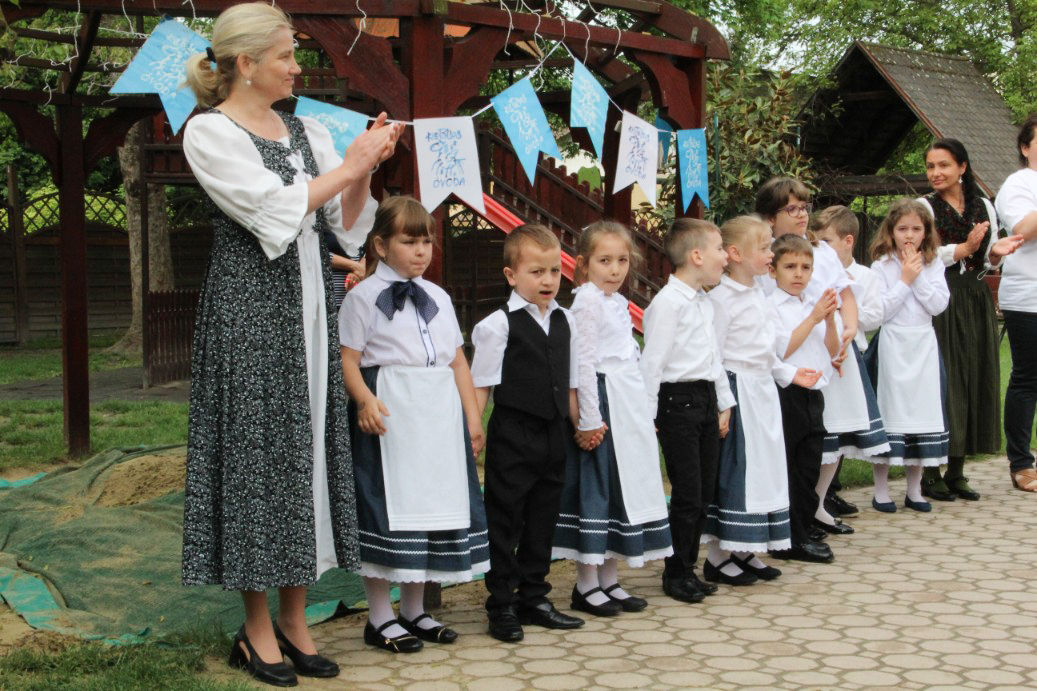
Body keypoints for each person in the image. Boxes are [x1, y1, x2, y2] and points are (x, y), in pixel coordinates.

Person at [180, 3, 399, 686]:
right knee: (259, 459)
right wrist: (350, 165)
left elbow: (345, 223)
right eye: (285, 55)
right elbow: (270, 210)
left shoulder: (305, 129)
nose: (297, 66)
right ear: (246, 63)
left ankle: (296, 619)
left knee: (306, 454)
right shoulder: (209, 132)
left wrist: (365, 169)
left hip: (309, 306)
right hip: (250, 311)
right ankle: (255, 628)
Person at [339, 196, 490, 653]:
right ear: (381, 245)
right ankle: (379, 617)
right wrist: (364, 399)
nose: (421, 251)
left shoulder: (437, 297)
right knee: (388, 509)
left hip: (436, 419)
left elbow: (457, 361)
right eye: (409, 242)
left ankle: (414, 610)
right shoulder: (363, 298)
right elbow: (348, 360)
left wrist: (472, 417)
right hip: (391, 415)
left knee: (429, 508)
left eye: (426, 241)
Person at [552, 221, 673, 617]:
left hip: (625, 403)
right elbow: (583, 364)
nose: (615, 269)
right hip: (602, 403)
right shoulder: (587, 301)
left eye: (622, 260)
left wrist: (642, 412)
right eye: (605, 261)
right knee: (597, 489)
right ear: (584, 264)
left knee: (621, 490)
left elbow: (630, 358)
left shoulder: (616, 302)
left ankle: (609, 579)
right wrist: (588, 418)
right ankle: (586, 584)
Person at [471, 224, 584, 642]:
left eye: (554, 271)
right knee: (505, 520)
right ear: (511, 275)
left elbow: (572, 382)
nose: (548, 280)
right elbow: (481, 384)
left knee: (543, 518)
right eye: (536, 272)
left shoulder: (565, 320)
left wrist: (580, 424)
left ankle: (534, 597)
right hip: (513, 433)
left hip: (554, 432)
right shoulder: (497, 325)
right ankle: (501, 604)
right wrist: (473, 430)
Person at [703, 216, 820, 586]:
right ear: (736, 254)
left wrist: (789, 373)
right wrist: (724, 402)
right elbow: (714, 355)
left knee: (765, 471)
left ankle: (745, 548)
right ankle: (718, 556)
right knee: (738, 472)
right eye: (765, 248)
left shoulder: (758, 294)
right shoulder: (721, 300)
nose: (771, 254)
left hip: (763, 391)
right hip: (738, 392)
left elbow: (767, 350)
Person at [917, 139, 1022, 501]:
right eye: (931, 166)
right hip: (941, 297)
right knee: (946, 379)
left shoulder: (983, 205)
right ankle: (930, 472)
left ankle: (957, 471)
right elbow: (921, 254)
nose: (936, 173)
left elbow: (988, 259)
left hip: (976, 298)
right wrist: (961, 249)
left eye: (943, 165)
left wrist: (995, 253)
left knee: (975, 376)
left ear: (962, 167)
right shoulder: (924, 207)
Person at [641, 218, 734, 603]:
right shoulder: (668, 304)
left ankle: (689, 568)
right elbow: (653, 363)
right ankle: (676, 572)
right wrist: (647, 416)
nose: (726, 257)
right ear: (697, 256)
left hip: (705, 399)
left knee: (704, 491)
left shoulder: (704, 302)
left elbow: (714, 358)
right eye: (720, 249)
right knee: (688, 494)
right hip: (677, 403)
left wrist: (724, 402)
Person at [811, 207, 891, 533]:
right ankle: (811, 502)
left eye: (826, 240)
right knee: (821, 432)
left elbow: (860, 309)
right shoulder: (808, 262)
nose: (820, 246)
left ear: (847, 241)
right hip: (815, 349)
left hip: (845, 352)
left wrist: (849, 326)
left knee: (838, 431)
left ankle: (819, 501)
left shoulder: (857, 273)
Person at [868, 199, 950, 513]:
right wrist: (904, 279)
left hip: (923, 345)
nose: (909, 235)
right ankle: (880, 490)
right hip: (893, 344)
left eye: (916, 229)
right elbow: (881, 311)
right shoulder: (881, 266)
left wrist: (918, 277)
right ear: (891, 231)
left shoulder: (934, 264)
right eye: (903, 229)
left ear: (926, 232)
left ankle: (914, 489)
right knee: (891, 413)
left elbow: (938, 305)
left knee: (920, 414)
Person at [766, 234, 839, 564]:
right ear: (773, 271)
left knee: (810, 463)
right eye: (790, 266)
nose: (799, 274)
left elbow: (832, 350)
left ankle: (802, 528)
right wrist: (813, 319)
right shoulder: (771, 307)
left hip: (814, 390)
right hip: (787, 390)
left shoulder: (812, 303)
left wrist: (829, 320)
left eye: (806, 267)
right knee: (791, 466)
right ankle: (790, 537)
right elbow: (783, 349)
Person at [995, 114, 1037, 492]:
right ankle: (1021, 462)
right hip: (1029, 296)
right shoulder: (1018, 184)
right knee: (1028, 377)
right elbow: (1023, 230)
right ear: (1025, 147)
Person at [327, 231, 366, 311]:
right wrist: (356, 267)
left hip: (355, 299)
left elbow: (369, 252)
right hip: (329, 298)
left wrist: (357, 274)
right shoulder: (325, 226)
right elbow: (316, 254)